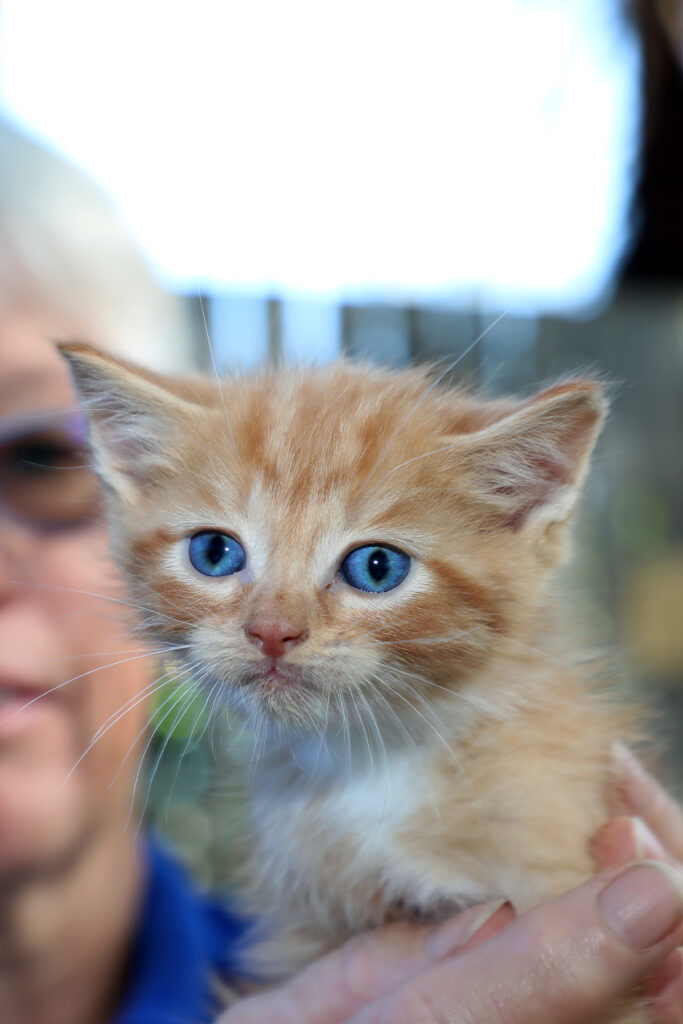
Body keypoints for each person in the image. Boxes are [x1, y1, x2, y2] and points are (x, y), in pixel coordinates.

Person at [1, 123, 682, 1024]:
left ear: (522, 511)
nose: (271, 625)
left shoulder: (523, 794)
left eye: (370, 567)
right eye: (218, 555)